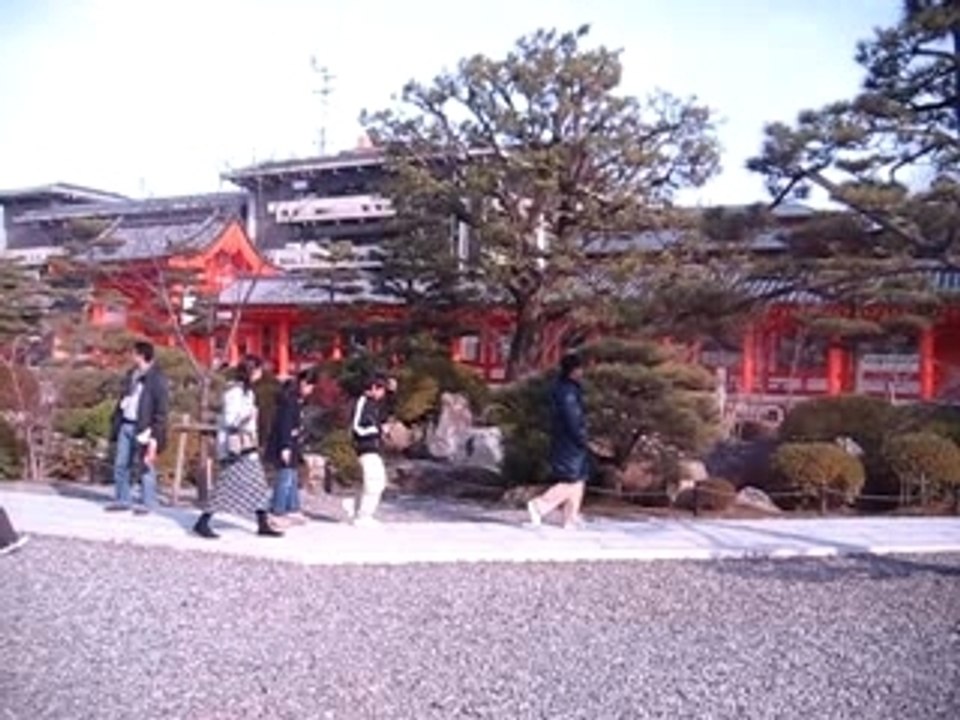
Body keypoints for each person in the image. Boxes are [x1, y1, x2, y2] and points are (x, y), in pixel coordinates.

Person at [193, 355, 282, 539]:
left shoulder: (248, 392)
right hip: (236, 445)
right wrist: (248, 414)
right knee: (230, 484)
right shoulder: (234, 392)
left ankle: (262, 522)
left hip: (246, 444)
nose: (259, 374)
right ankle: (204, 521)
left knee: (257, 484)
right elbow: (230, 419)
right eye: (257, 370)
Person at [527, 353, 590, 529]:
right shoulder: (567, 391)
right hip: (569, 439)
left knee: (579, 477)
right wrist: (581, 436)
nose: (582, 372)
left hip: (566, 437)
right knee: (571, 479)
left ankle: (571, 517)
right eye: (580, 368)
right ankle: (540, 505)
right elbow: (573, 418)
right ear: (573, 370)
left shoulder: (565, 387)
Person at [106, 340, 169, 514]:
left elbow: (161, 407)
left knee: (144, 465)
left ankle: (148, 502)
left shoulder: (157, 378)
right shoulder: (131, 374)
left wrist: (155, 430)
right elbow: (124, 396)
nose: (132, 357)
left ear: (141, 355)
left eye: (134, 353)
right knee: (121, 463)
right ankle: (122, 499)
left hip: (144, 426)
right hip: (126, 421)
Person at [265, 367, 319, 524]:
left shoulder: (297, 400)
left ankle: (292, 507)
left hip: (293, 443)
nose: (311, 390)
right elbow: (285, 425)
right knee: (284, 477)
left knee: (292, 477)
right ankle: (277, 510)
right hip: (285, 443)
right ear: (303, 383)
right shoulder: (289, 401)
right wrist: (285, 446)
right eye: (310, 386)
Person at [341, 373, 394, 527]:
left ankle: (357, 509)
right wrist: (378, 430)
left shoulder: (373, 404)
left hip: (373, 447)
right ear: (373, 388)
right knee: (375, 481)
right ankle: (363, 515)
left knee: (373, 481)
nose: (383, 394)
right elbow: (357, 426)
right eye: (381, 390)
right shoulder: (362, 402)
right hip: (365, 447)